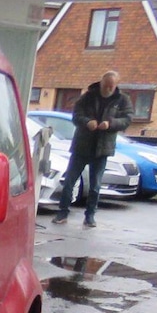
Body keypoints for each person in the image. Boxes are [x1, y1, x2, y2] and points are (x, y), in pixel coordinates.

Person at [53, 70, 133, 228]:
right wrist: (87, 122)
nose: (108, 89)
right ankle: (62, 213)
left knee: (95, 185)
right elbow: (76, 115)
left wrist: (111, 124)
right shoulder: (88, 96)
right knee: (70, 181)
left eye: (111, 86)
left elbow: (127, 119)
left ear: (116, 85)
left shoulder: (122, 100)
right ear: (101, 82)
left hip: (102, 148)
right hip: (82, 146)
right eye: (106, 85)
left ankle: (90, 216)